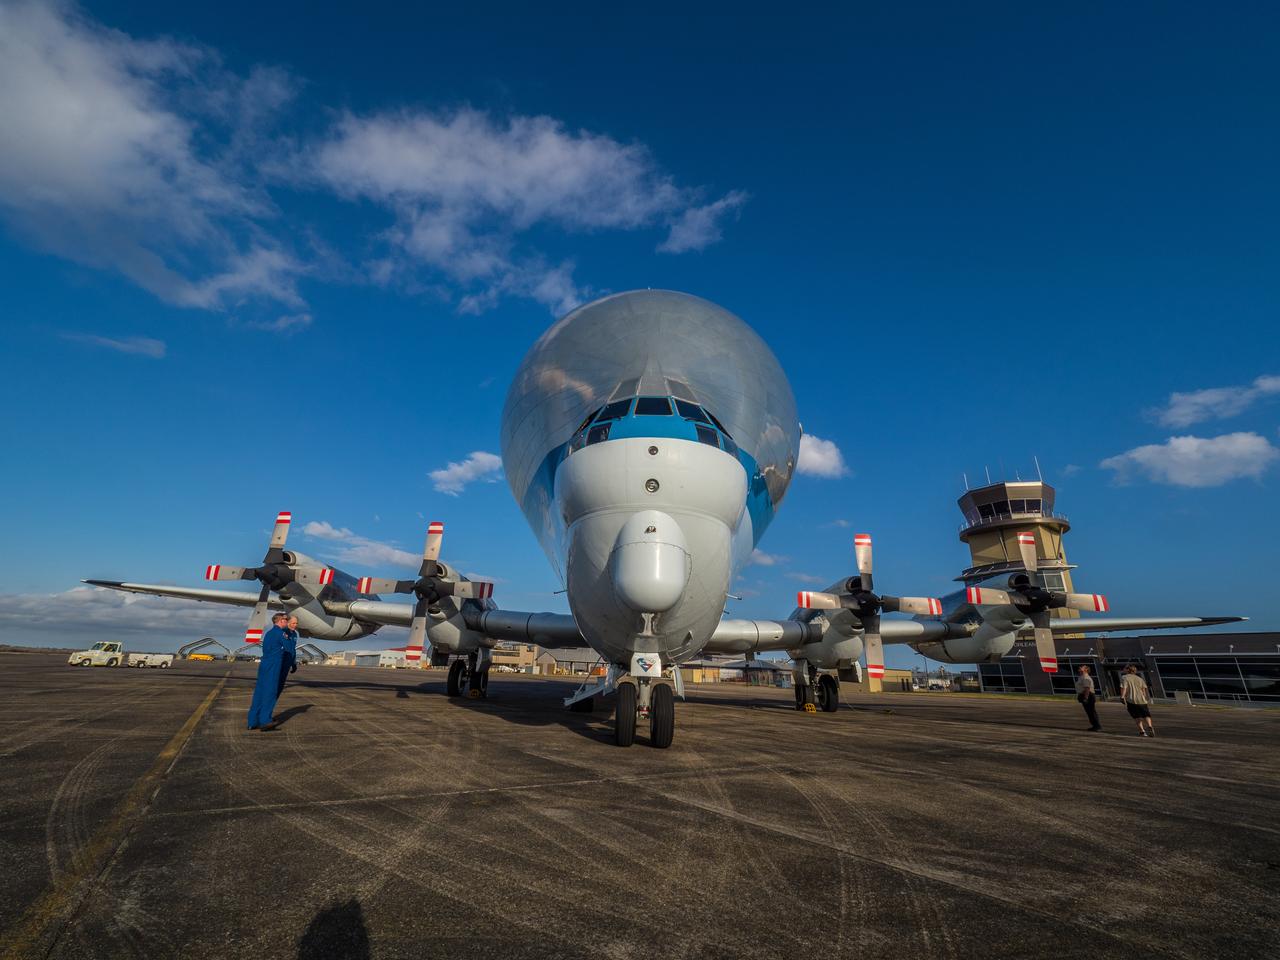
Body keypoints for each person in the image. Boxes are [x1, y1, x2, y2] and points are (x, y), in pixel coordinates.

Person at [247, 613, 291, 731]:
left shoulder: (268, 633)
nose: (288, 622)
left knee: (259, 692)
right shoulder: (281, 633)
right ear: (281, 621)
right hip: (274, 664)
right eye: (286, 620)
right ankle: (265, 721)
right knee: (270, 693)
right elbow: (289, 648)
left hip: (264, 663)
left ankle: (252, 721)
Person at [1119, 664, 1155, 737]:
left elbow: (1124, 688)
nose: (1124, 669)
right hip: (1142, 700)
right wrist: (1144, 698)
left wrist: (1122, 697)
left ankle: (1142, 731)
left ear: (1128, 670)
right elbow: (1144, 690)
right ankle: (1150, 726)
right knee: (1146, 715)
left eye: (1125, 668)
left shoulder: (1124, 677)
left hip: (1131, 700)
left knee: (1136, 716)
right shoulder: (1140, 679)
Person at [1075, 664, 1102, 732]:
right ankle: (1094, 725)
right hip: (1085, 695)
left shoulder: (1086, 677)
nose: (1080, 667)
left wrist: (1086, 698)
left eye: (1082, 667)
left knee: (1091, 711)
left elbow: (1087, 688)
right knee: (1089, 712)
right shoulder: (1081, 677)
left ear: (1086, 670)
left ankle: (1097, 726)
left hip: (1088, 695)